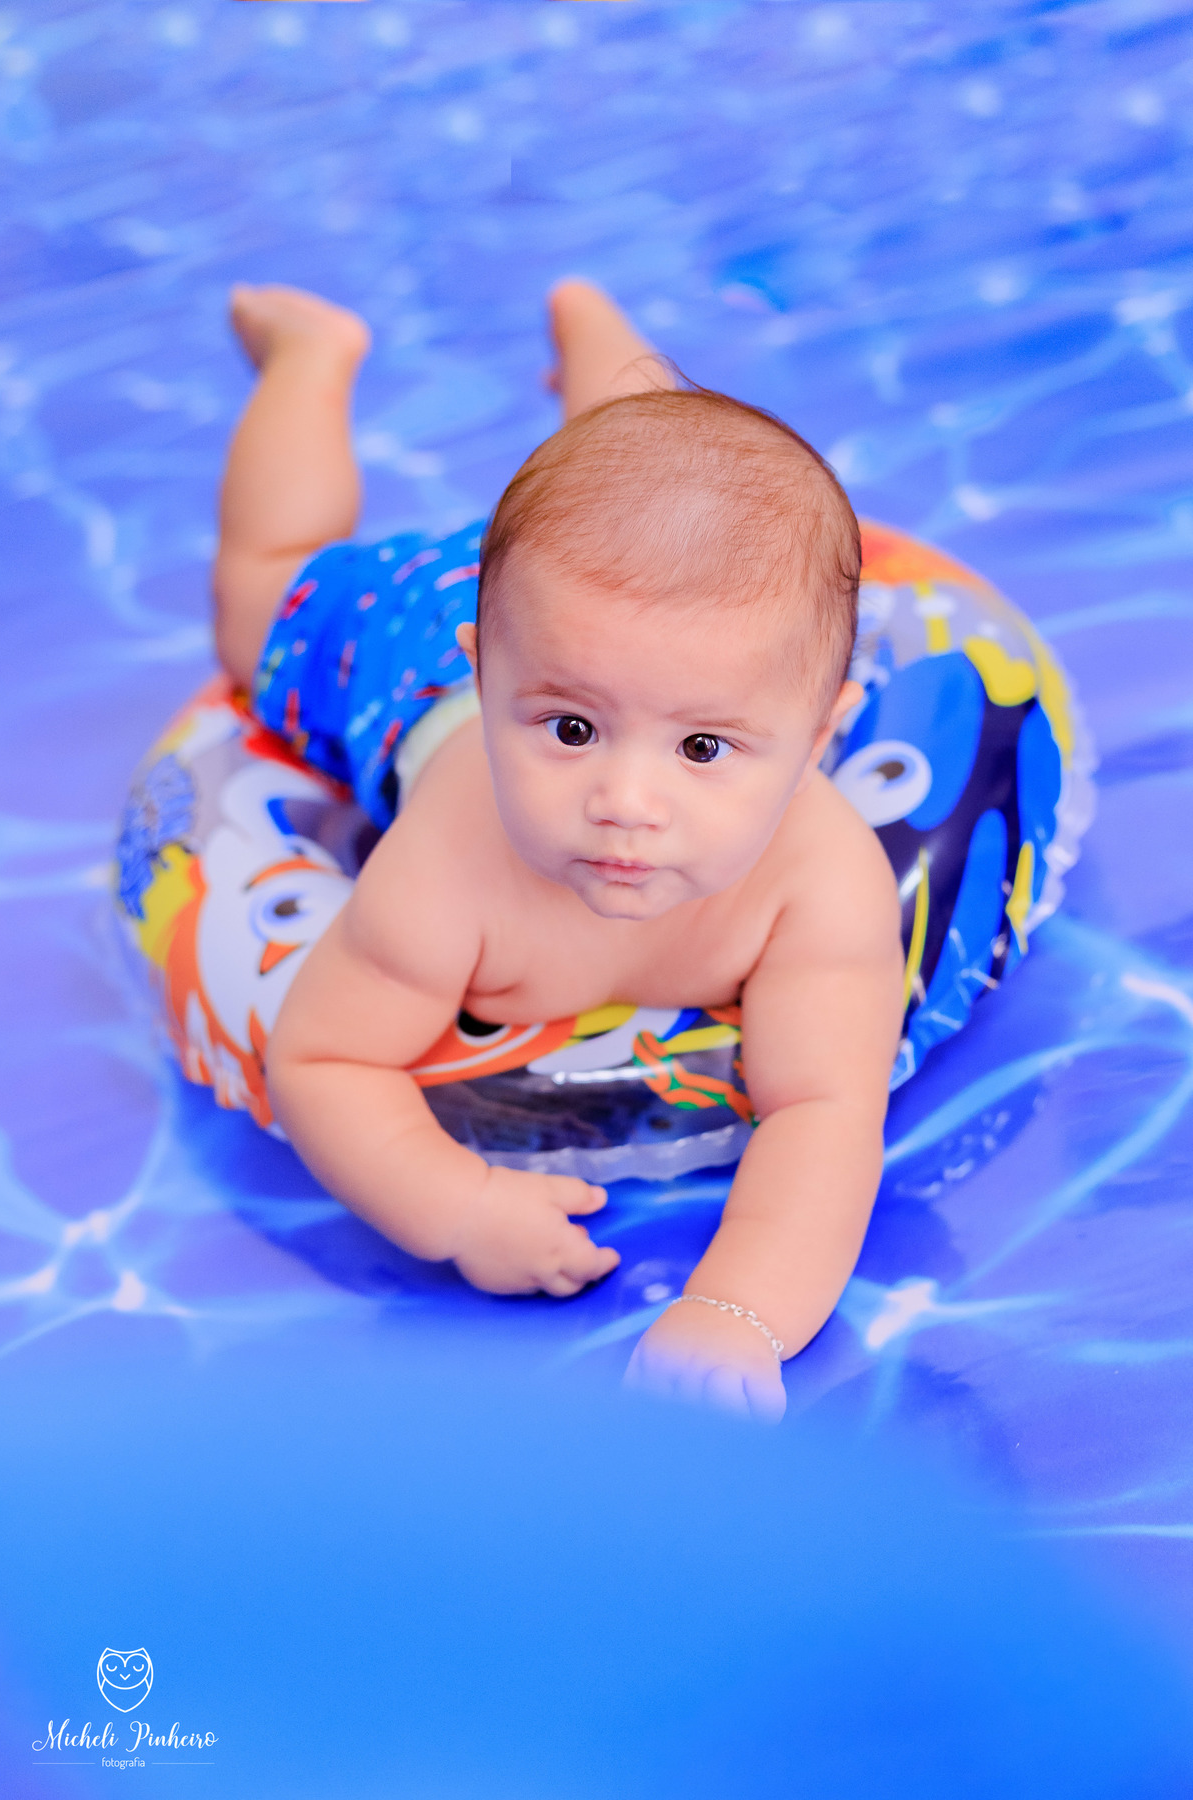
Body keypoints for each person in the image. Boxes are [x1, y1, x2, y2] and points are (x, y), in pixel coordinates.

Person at [211, 277, 904, 1422]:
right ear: (489, 679)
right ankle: (310, 356)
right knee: (261, 592)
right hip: (400, 648)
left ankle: (596, 338)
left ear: (822, 735)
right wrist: (455, 1206)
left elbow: (825, 1110)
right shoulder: (450, 866)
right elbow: (324, 1060)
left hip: (579, 623)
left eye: (704, 748)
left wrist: (740, 1311)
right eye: (571, 733)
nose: (624, 801)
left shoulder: (819, 885)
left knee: (651, 480)